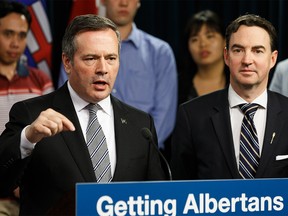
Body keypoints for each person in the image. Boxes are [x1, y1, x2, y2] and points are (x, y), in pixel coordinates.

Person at [0, 14, 166, 215]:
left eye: (111, 58)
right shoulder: (31, 115)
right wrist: (27, 138)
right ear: (67, 62)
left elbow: (158, 199)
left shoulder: (141, 124)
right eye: (91, 58)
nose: (102, 69)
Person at [170, 13, 288, 180]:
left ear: (273, 58)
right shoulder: (192, 116)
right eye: (238, 50)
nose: (247, 60)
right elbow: (180, 188)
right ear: (226, 56)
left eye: (257, 51)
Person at [58, 0, 178, 156]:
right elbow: (65, 103)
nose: (124, 2)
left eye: (111, 58)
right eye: (91, 59)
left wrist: (133, 153)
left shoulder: (160, 52)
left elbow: (164, 117)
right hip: (82, 154)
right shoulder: (78, 49)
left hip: (143, 155)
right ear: (102, 1)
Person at [0, 1, 54, 215]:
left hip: (31, 191)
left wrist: (25, 180)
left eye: (22, 35)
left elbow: (50, 138)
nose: (15, 42)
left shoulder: (41, 81)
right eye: (8, 34)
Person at [178, 10, 229, 104]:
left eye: (209, 36)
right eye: (195, 39)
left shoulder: (237, 81)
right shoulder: (178, 86)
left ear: (224, 41)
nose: (202, 44)